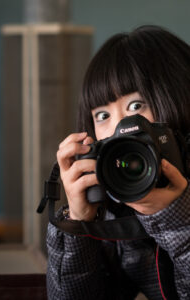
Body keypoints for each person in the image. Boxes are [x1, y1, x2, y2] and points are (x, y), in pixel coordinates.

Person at [46, 25, 190, 300]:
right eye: (102, 115)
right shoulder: (117, 202)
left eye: (136, 106)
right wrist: (79, 224)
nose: (119, 128)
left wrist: (177, 218)